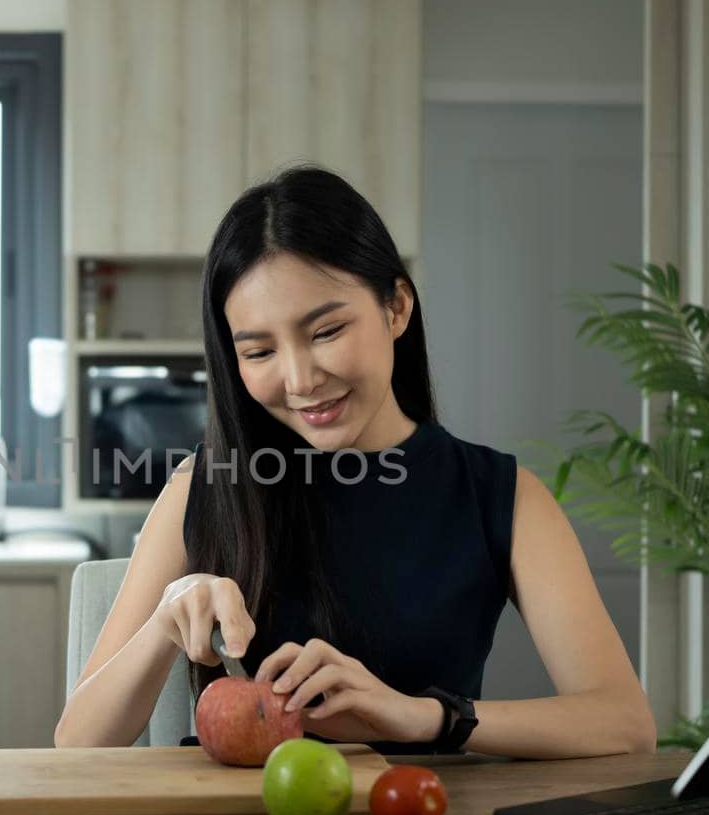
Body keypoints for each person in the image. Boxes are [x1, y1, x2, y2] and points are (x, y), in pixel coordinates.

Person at [53, 166, 655, 758]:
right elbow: (77, 741)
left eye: (325, 331)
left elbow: (623, 723)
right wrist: (164, 621)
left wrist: (417, 716)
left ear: (396, 308)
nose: (300, 379)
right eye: (259, 350)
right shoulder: (206, 486)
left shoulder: (501, 495)